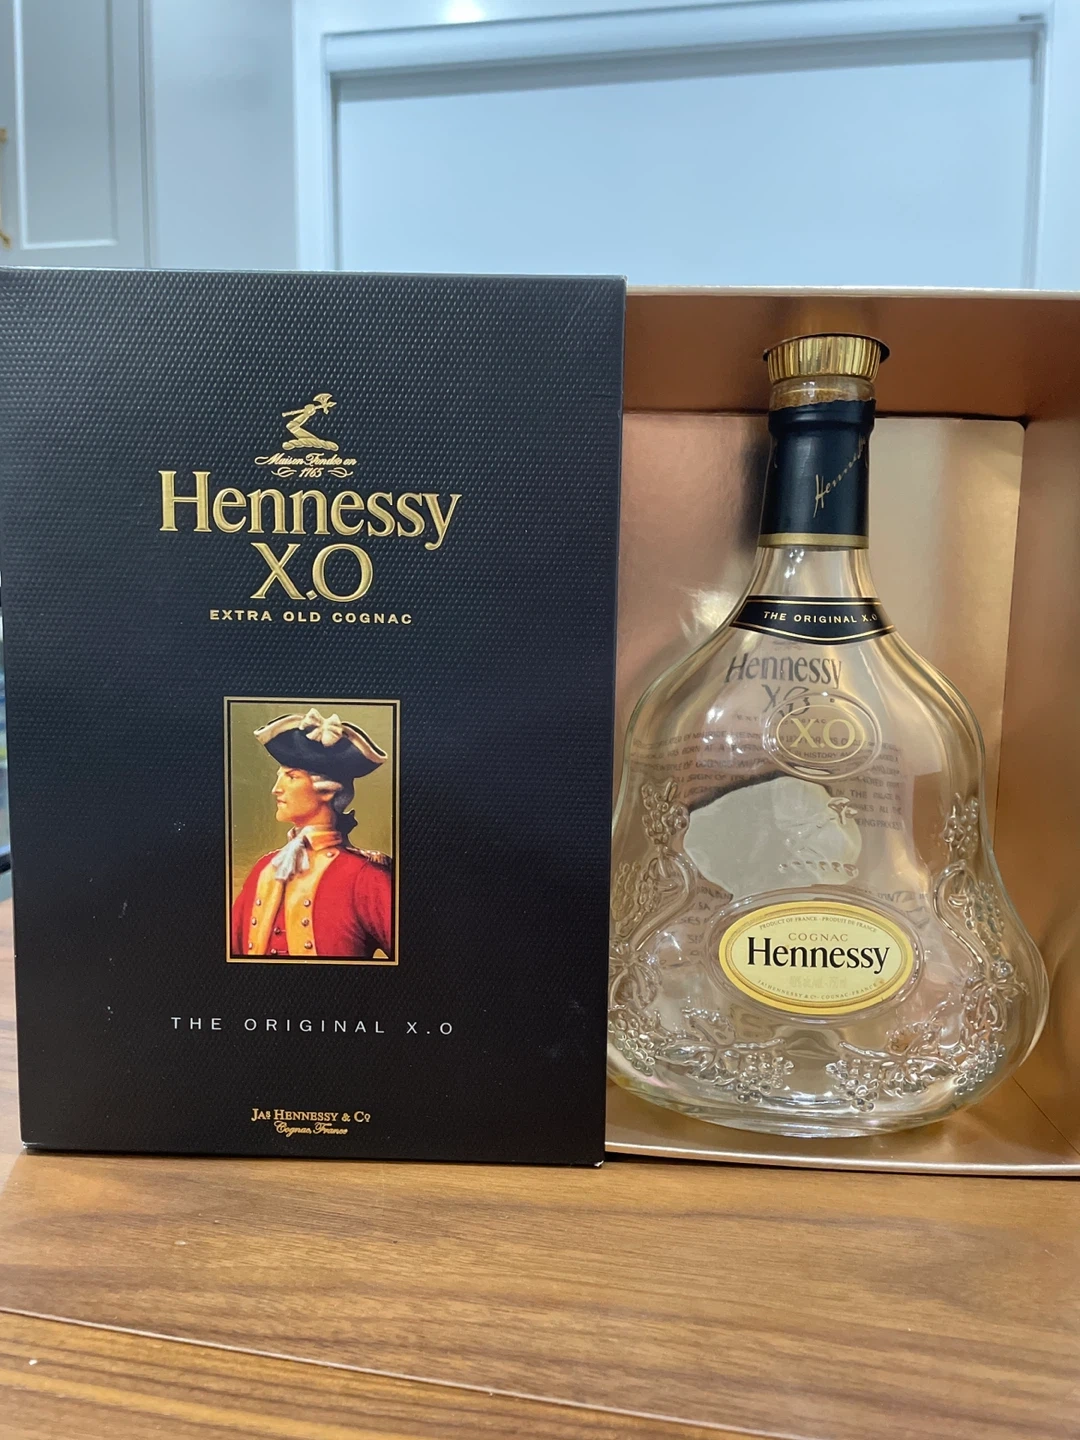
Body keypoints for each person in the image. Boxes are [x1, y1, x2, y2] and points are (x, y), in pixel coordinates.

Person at [231, 708, 392, 960]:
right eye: (279, 777)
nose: (276, 789)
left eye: (291, 777)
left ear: (326, 791)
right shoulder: (263, 869)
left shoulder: (365, 878)